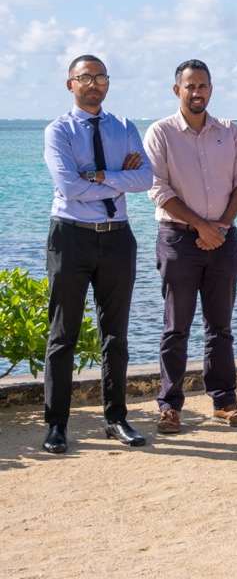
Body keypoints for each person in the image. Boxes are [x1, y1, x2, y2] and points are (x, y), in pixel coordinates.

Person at [42, 54, 153, 454]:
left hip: (117, 238)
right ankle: (56, 424)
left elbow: (146, 178)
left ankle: (117, 418)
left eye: (100, 77)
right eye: (85, 78)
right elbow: (69, 188)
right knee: (62, 334)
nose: (94, 84)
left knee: (116, 335)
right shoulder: (58, 131)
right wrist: (118, 180)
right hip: (70, 237)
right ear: (69, 84)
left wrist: (101, 175)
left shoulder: (124, 127)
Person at [144, 59, 237, 435]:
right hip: (178, 240)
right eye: (190, 86)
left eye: (203, 86)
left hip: (224, 239)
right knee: (176, 327)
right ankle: (170, 406)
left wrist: (219, 227)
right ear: (177, 90)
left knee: (220, 328)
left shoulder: (229, 131)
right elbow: (158, 190)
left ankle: (224, 402)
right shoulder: (160, 133)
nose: (197, 92)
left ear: (211, 89)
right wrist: (200, 226)